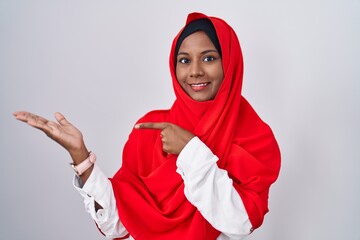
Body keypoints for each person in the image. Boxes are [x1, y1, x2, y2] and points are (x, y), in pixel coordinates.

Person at [14, 12, 281, 240]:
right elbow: (118, 225)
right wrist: (81, 158)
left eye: (209, 58)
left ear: (230, 64)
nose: (195, 71)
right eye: (185, 60)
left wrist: (190, 151)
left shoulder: (254, 137)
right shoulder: (151, 130)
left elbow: (241, 222)